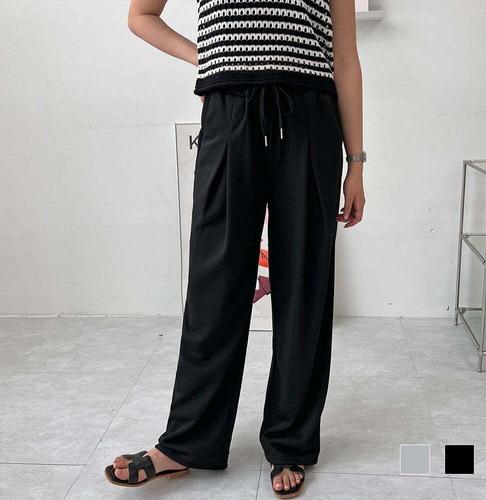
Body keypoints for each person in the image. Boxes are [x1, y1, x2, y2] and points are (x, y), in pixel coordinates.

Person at [105, 0, 365, 496]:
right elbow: (141, 16)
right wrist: (203, 57)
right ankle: (186, 442)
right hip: (227, 112)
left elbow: (346, 59)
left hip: (310, 117)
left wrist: (356, 162)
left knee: (304, 283)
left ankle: (289, 440)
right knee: (214, 282)